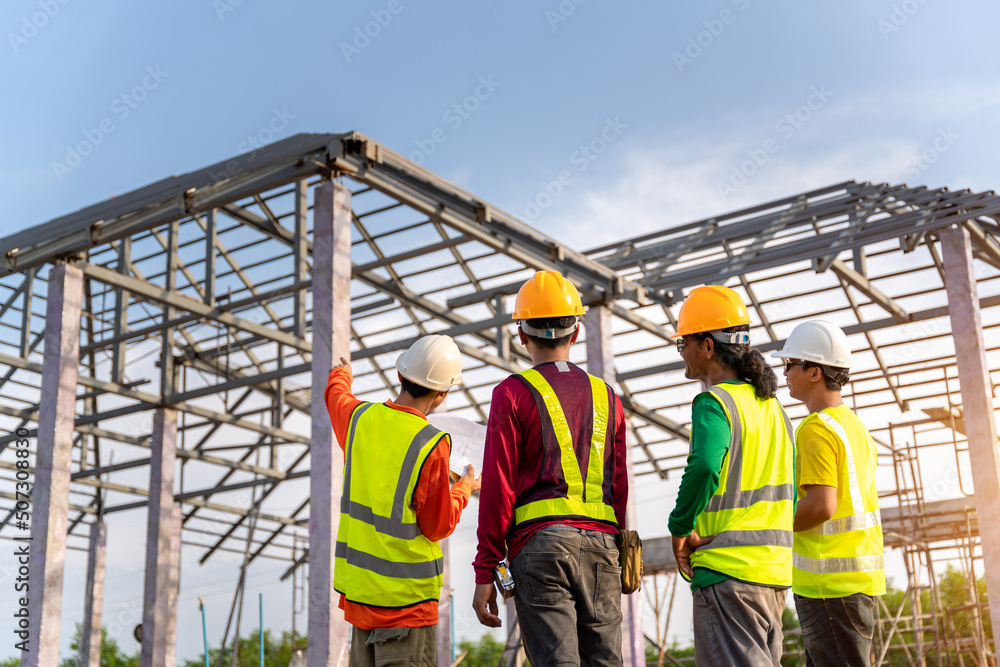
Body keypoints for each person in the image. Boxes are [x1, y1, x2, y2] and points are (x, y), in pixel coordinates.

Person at [472, 270, 629, 666]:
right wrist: (618, 545)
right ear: (575, 333)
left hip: (540, 549)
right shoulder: (608, 397)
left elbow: (497, 486)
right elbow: (620, 482)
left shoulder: (510, 393)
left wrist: (485, 567)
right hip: (603, 549)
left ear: (521, 335)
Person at [326, 334, 481, 667]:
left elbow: (336, 397)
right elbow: (437, 524)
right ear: (443, 393)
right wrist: (465, 487)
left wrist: (342, 373)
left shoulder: (360, 420)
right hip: (406, 607)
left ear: (400, 375)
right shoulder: (431, 442)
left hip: (360, 599)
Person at [667, 285, 795, 667]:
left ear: (707, 346)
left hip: (728, 571)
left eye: (683, 343)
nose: (682, 353)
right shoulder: (774, 410)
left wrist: (680, 525)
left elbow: (705, 466)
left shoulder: (714, 402)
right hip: (774, 574)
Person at [773, 320, 885, 667]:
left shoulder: (815, 428)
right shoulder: (855, 426)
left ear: (814, 372)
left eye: (790, 364)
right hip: (854, 584)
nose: (785, 373)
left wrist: (770, 524)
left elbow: (822, 506)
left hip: (828, 587)